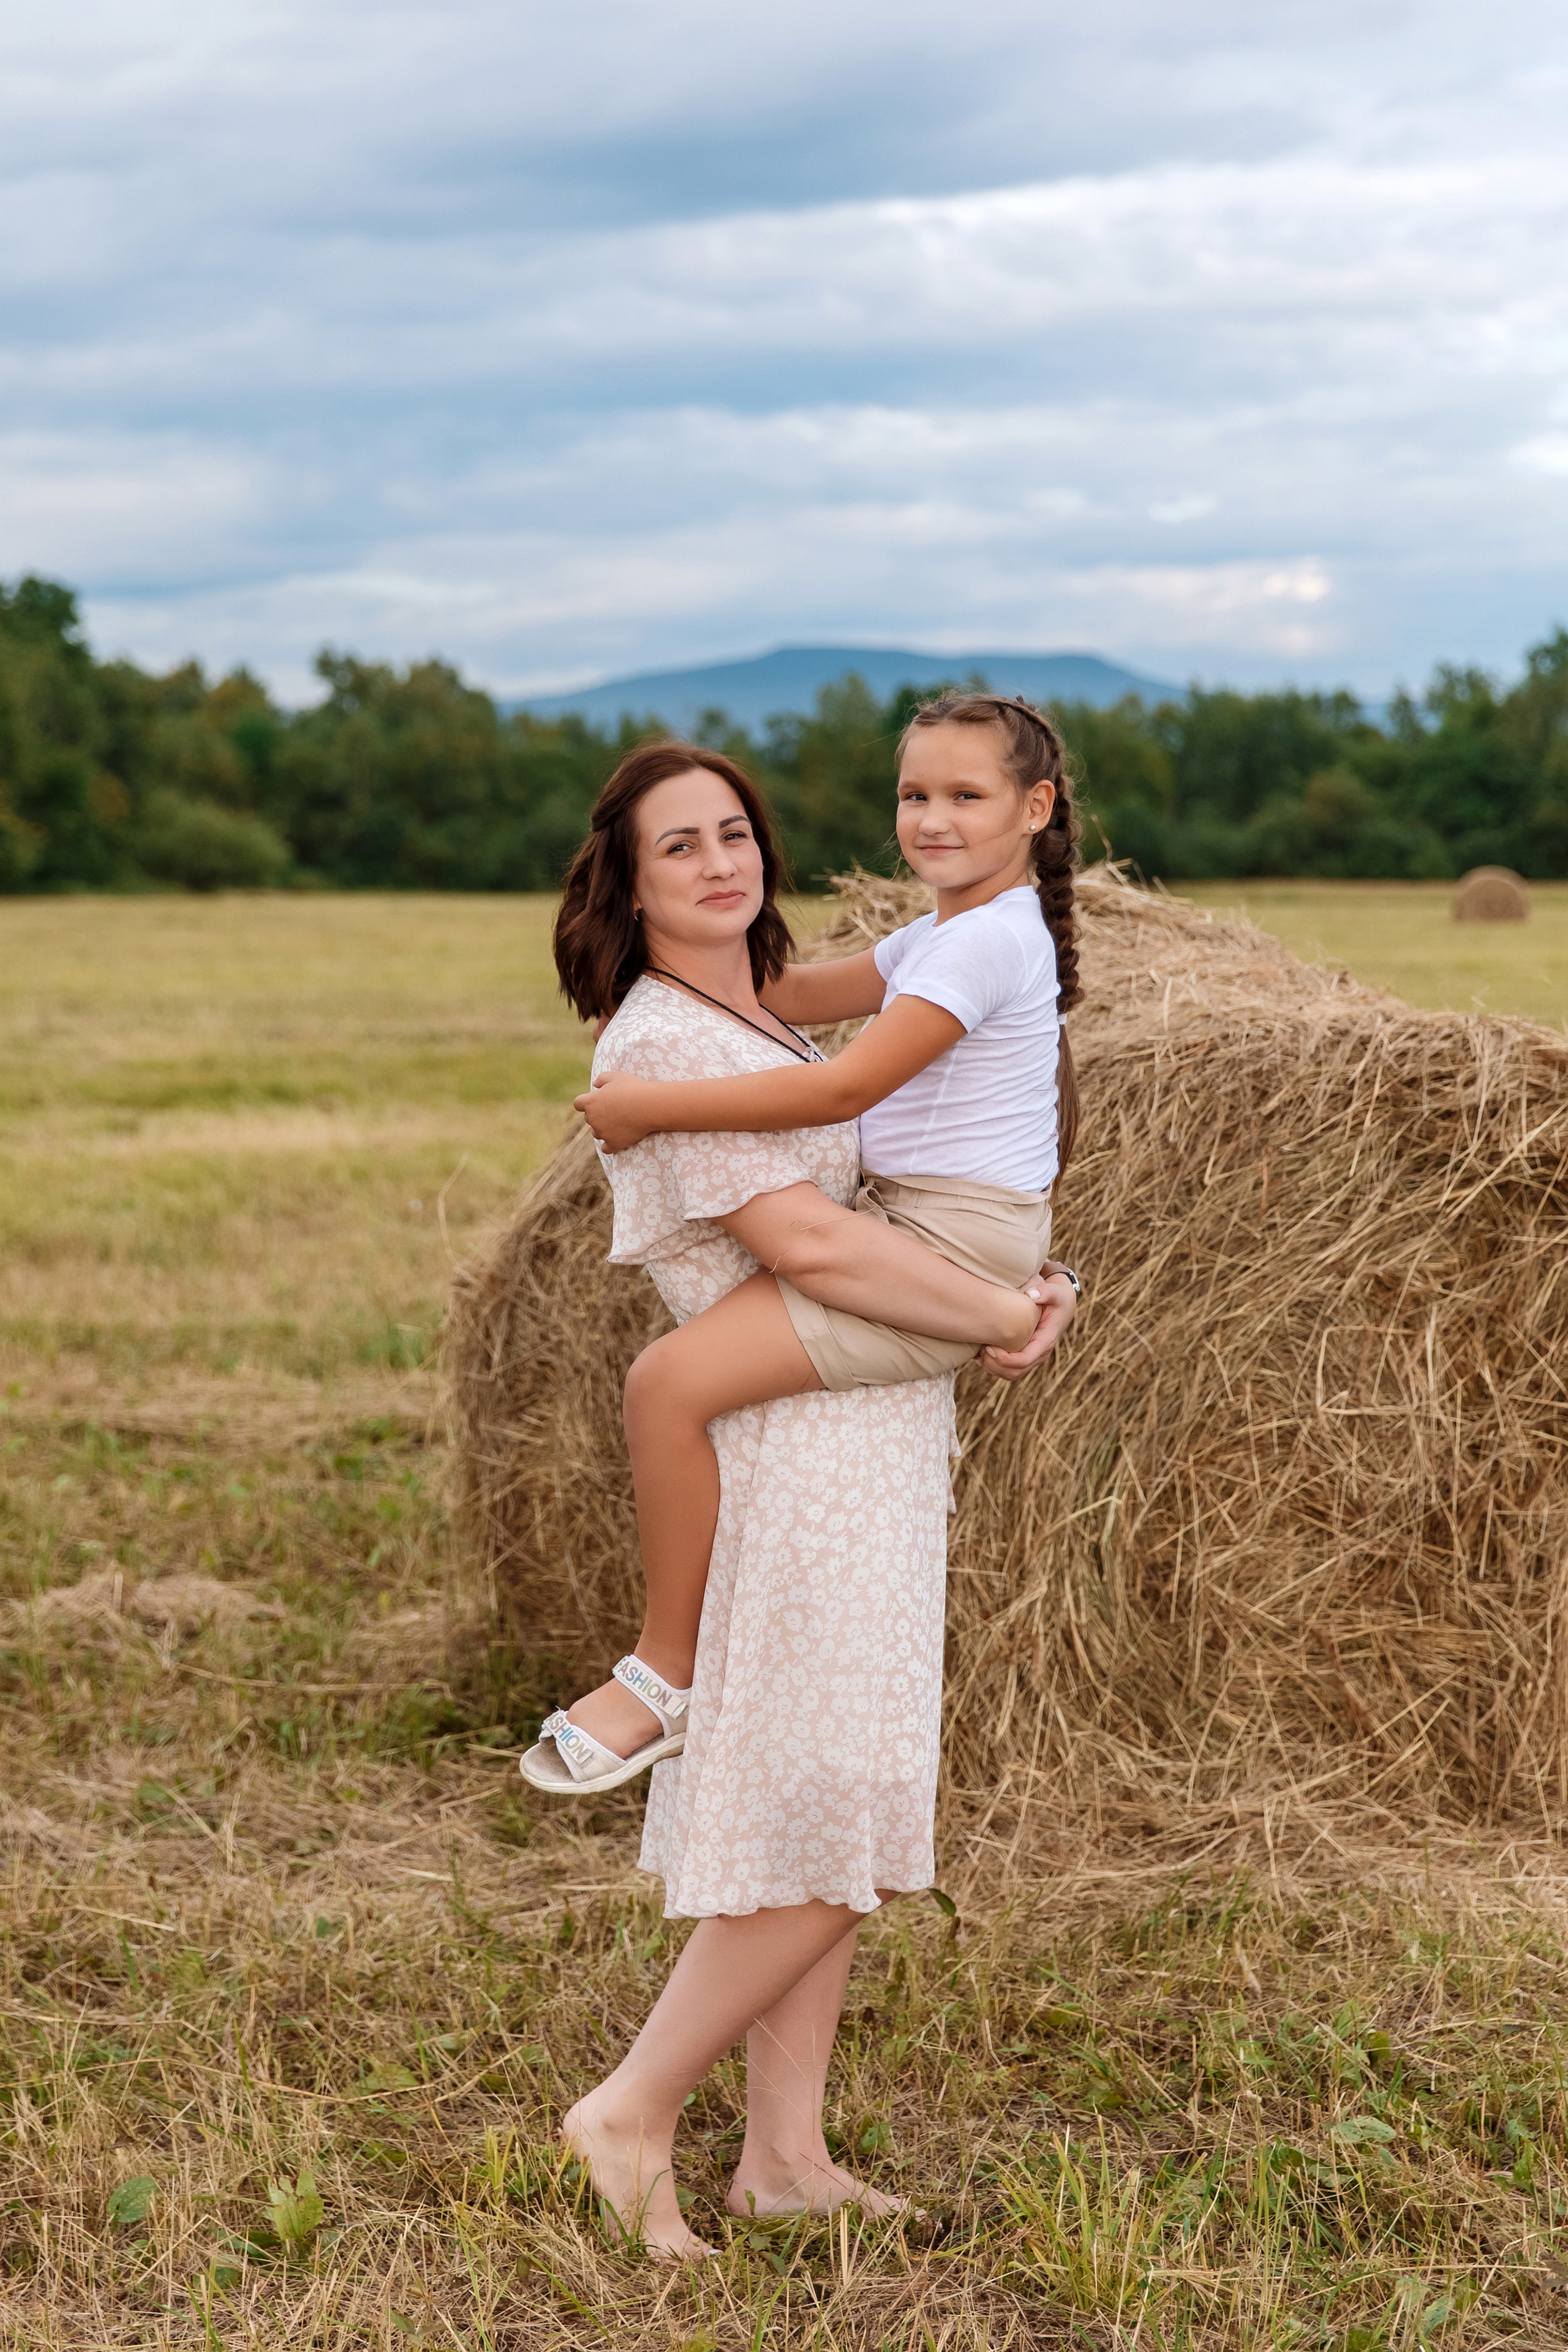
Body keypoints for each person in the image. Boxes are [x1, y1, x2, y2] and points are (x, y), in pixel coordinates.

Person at [532, 729, 1075, 2255]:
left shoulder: (747, 1017)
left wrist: (1002, 1288)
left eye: (733, 832)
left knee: (814, 1802)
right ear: (626, 888)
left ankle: (784, 2155)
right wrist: (998, 1314)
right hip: (795, 1453)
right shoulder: (667, 1046)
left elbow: (880, 1142)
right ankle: (632, 2105)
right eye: (679, 847)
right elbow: (821, 1250)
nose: (721, 862)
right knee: (836, 1815)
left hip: (861, 1427)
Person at [524, 692, 1080, 1793]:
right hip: (935, 1222)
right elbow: (777, 992)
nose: (931, 819)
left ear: (1036, 808)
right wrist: (652, 975)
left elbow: (843, 1083)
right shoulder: (944, 934)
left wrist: (651, 1104)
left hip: (943, 1234)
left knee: (664, 1385)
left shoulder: (981, 947)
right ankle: (669, 1671)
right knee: (670, 1387)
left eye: (966, 796)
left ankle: (662, 1673)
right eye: (914, 795)